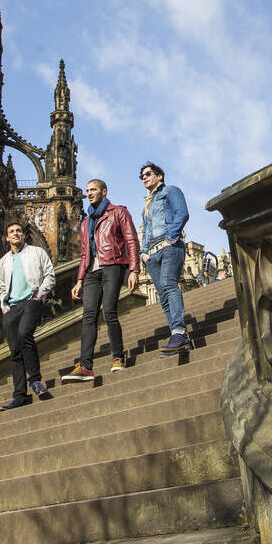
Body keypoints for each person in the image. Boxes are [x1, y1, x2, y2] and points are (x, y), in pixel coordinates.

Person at [63, 179, 139, 381]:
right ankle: (85, 365)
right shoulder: (86, 222)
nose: (89, 193)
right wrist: (79, 279)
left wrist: (134, 269)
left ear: (104, 192)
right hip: (91, 272)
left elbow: (131, 239)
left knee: (109, 311)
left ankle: (118, 357)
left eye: (93, 190)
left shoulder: (118, 212)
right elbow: (83, 254)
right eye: (87, 191)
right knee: (88, 316)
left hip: (113, 264)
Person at [0, 222, 56, 411]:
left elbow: (50, 275)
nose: (15, 234)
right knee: (14, 350)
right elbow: (2, 287)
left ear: (23, 235)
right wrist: (4, 305)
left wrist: (39, 295)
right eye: (11, 232)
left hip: (31, 301)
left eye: (18, 231)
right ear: (7, 238)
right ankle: (20, 394)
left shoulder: (37, 253)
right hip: (12, 308)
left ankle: (36, 381)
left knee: (25, 335)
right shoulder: (4, 261)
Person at [140, 162, 191, 354]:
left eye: (148, 174)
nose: (144, 177)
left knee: (169, 285)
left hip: (170, 247)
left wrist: (171, 238)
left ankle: (178, 331)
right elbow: (145, 231)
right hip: (152, 254)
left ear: (159, 176)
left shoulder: (170, 191)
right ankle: (178, 337)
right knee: (162, 296)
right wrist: (143, 253)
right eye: (142, 176)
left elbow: (182, 213)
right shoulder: (146, 204)